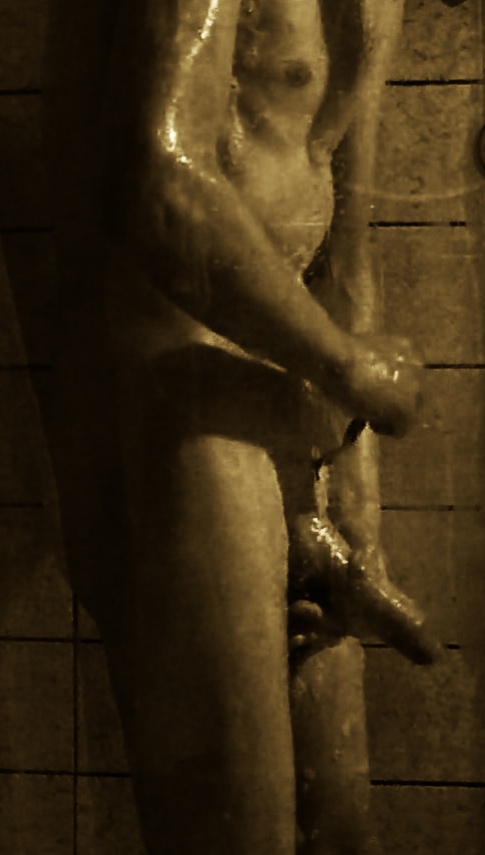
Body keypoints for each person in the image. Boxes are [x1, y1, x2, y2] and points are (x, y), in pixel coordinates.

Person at [43, 1, 423, 852]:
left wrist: (359, 526)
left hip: (292, 387)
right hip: (173, 381)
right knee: (236, 832)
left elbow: (346, 257)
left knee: (342, 831)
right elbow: (154, 180)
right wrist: (348, 369)